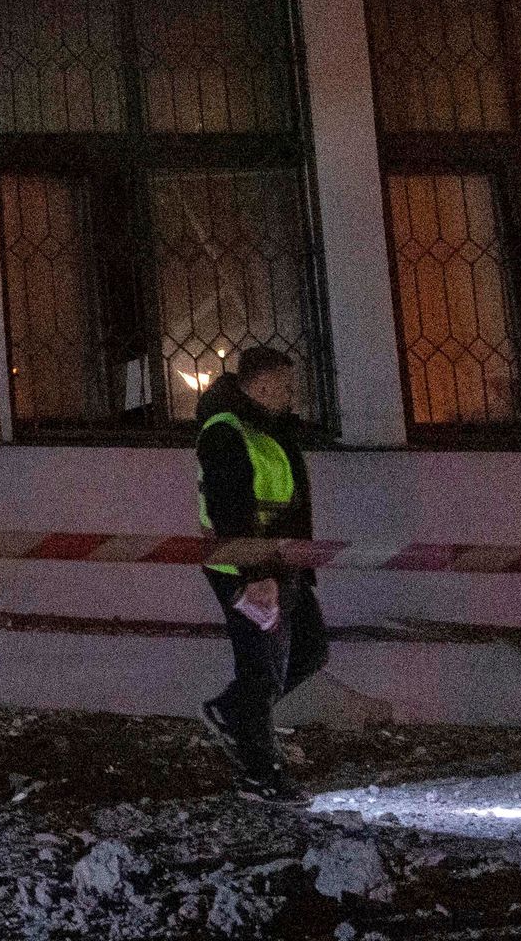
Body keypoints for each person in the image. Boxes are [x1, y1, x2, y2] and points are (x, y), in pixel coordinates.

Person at [195, 342, 325, 799]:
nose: (291, 396)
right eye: (286, 387)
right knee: (260, 670)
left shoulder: (267, 428)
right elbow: (230, 509)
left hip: (279, 564)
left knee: (309, 650)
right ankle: (259, 774)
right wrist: (256, 574)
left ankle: (234, 713)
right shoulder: (226, 431)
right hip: (244, 568)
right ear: (263, 384)